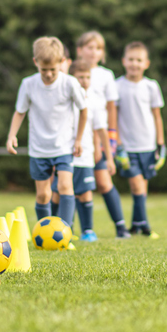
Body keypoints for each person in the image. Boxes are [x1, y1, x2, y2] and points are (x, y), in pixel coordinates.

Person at [6, 37, 87, 228]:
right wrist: (11, 136)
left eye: (53, 70)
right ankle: (44, 230)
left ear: (61, 63)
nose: (49, 74)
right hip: (39, 148)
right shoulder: (28, 84)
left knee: (65, 186)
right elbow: (20, 112)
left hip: (64, 146)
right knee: (43, 194)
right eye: (44, 70)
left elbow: (84, 110)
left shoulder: (70, 83)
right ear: (36, 62)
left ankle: (65, 231)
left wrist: (78, 139)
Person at [75, 31, 128, 238]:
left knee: (105, 182)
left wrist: (111, 139)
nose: (94, 52)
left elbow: (111, 108)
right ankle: (81, 230)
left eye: (98, 48)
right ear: (80, 50)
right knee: (76, 186)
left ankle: (121, 227)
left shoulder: (106, 75)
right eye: (89, 47)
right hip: (78, 139)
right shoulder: (72, 71)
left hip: (100, 135)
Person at [113, 42, 164, 237]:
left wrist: (161, 143)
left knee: (142, 189)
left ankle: (135, 225)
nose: (135, 64)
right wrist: (117, 144)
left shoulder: (151, 86)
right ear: (124, 61)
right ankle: (146, 227)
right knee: (137, 185)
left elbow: (157, 116)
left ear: (146, 63)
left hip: (148, 146)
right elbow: (113, 118)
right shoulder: (117, 86)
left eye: (139, 60)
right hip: (127, 147)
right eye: (131, 59)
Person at [68, 59, 106, 241]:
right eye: (80, 77)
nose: (84, 80)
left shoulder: (95, 100)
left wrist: (101, 149)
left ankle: (88, 230)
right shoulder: (66, 98)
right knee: (64, 190)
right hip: (65, 153)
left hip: (86, 154)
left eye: (87, 77)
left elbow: (100, 127)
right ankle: (67, 229)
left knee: (85, 191)